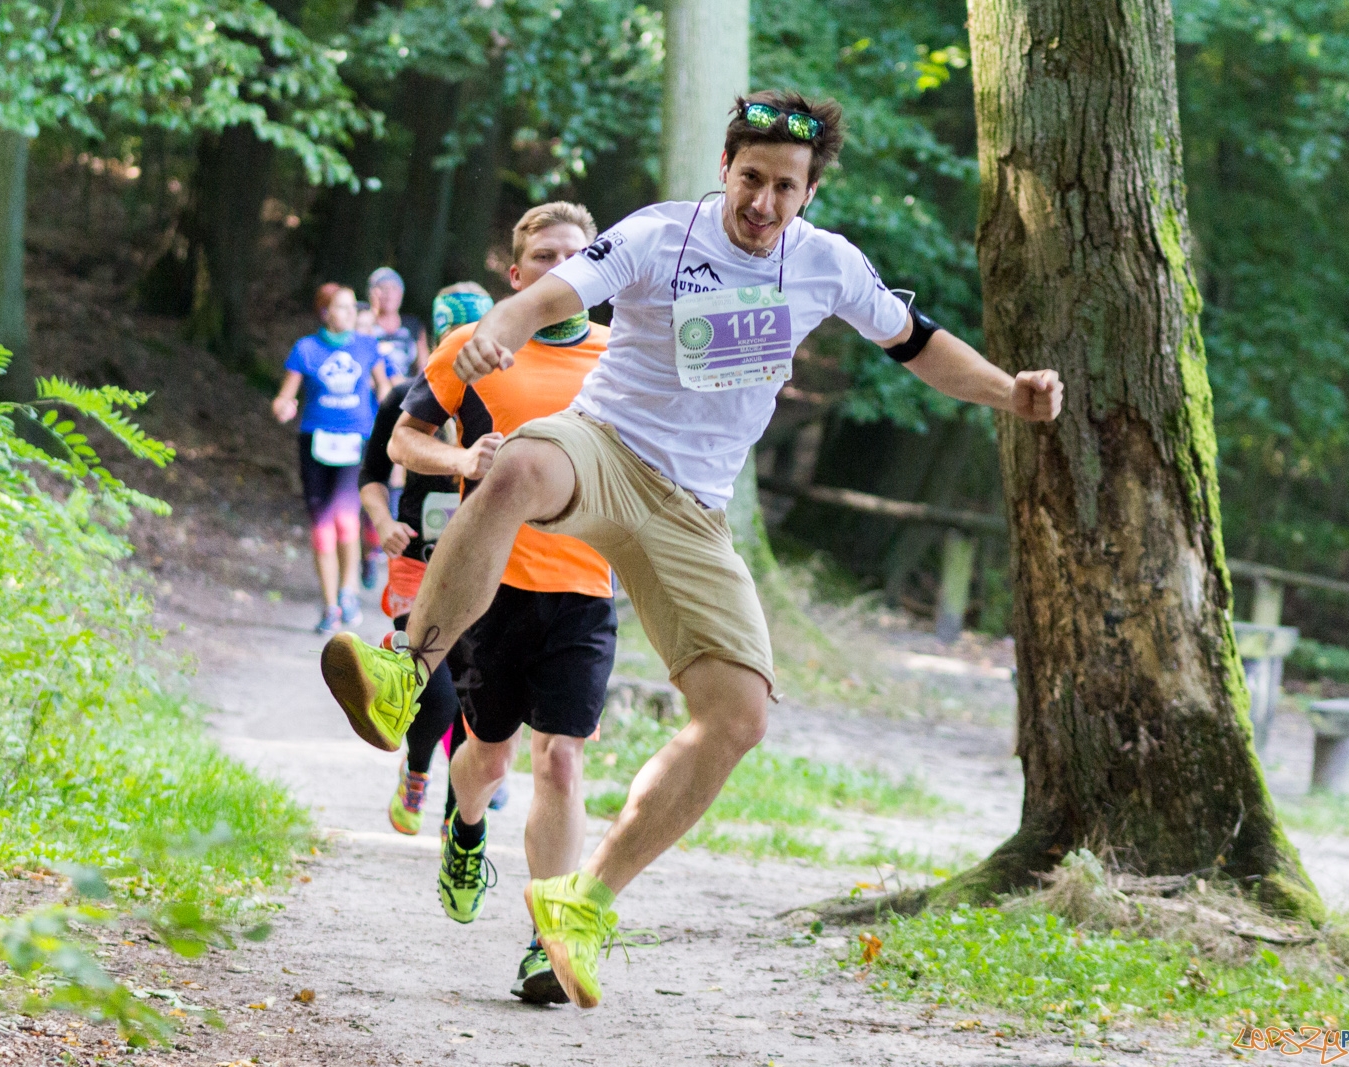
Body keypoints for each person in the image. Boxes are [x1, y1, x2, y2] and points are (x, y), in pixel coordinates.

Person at [319, 91, 1065, 1009]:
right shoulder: (660, 234)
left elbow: (916, 344)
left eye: (784, 187)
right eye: (750, 178)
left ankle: (586, 903)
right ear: (725, 169)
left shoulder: (827, 265)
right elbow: (564, 290)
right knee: (512, 469)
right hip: (602, 446)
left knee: (739, 713)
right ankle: (404, 672)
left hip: (692, 510)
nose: (763, 202)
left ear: (809, 191)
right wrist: (505, 326)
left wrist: (1011, 395)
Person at [385, 203, 617, 1006]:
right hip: (493, 590)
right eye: (544, 257)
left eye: (576, 256)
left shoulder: (623, 357)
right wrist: (460, 454)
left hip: (587, 590)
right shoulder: (476, 347)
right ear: (515, 277)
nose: (561, 267)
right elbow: (402, 441)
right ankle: (466, 828)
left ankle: (545, 942)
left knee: (561, 757)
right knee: (488, 757)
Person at [359, 283, 497, 840]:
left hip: (479, 566)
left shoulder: (498, 398)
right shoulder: (403, 399)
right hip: (416, 563)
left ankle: (454, 813)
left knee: (473, 694)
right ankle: (416, 771)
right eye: (452, 338)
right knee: (433, 691)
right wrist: (384, 523)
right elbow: (371, 476)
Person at [272, 283, 388, 634]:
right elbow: (283, 398)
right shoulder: (306, 349)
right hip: (316, 444)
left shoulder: (368, 346)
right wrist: (283, 408)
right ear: (325, 313)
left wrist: (392, 412)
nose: (351, 313)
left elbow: (384, 388)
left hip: (356, 443)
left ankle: (349, 591)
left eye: (354, 307)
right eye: (342, 307)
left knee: (346, 519)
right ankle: (330, 607)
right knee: (322, 529)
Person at [363, 267, 430, 384]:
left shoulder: (412, 325)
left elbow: (423, 365)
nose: (389, 293)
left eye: (394, 288)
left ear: (401, 294)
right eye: (383, 288)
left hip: (406, 391)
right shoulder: (364, 324)